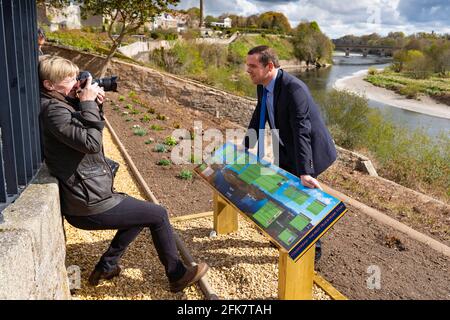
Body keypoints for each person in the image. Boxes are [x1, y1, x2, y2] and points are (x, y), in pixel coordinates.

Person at [38, 55, 208, 292]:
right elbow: (91, 143)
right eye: (69, 79)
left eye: (76, 77)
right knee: (157, 214)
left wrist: (94, 104)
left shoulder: (59, 104)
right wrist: (87, 104)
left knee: (138, 212)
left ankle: (107, 265)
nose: (76, 83)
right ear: (49, 85)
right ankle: (176, 274)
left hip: (87, 194)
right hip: (87, 205)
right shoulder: (53, 111)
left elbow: (89, 130)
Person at [244, 46, 337, 261]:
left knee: (302, 202)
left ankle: (312, 256)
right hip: (285, 147)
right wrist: (247, 145)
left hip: (308, 151)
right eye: (247, 65)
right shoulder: (263, 84)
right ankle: (282, 239)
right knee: (281, 195)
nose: (247, 70)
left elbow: (302, 130)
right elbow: (260, 113)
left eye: (252, 66)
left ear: (269, 66)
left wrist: (305, 171)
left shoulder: (294, 89)